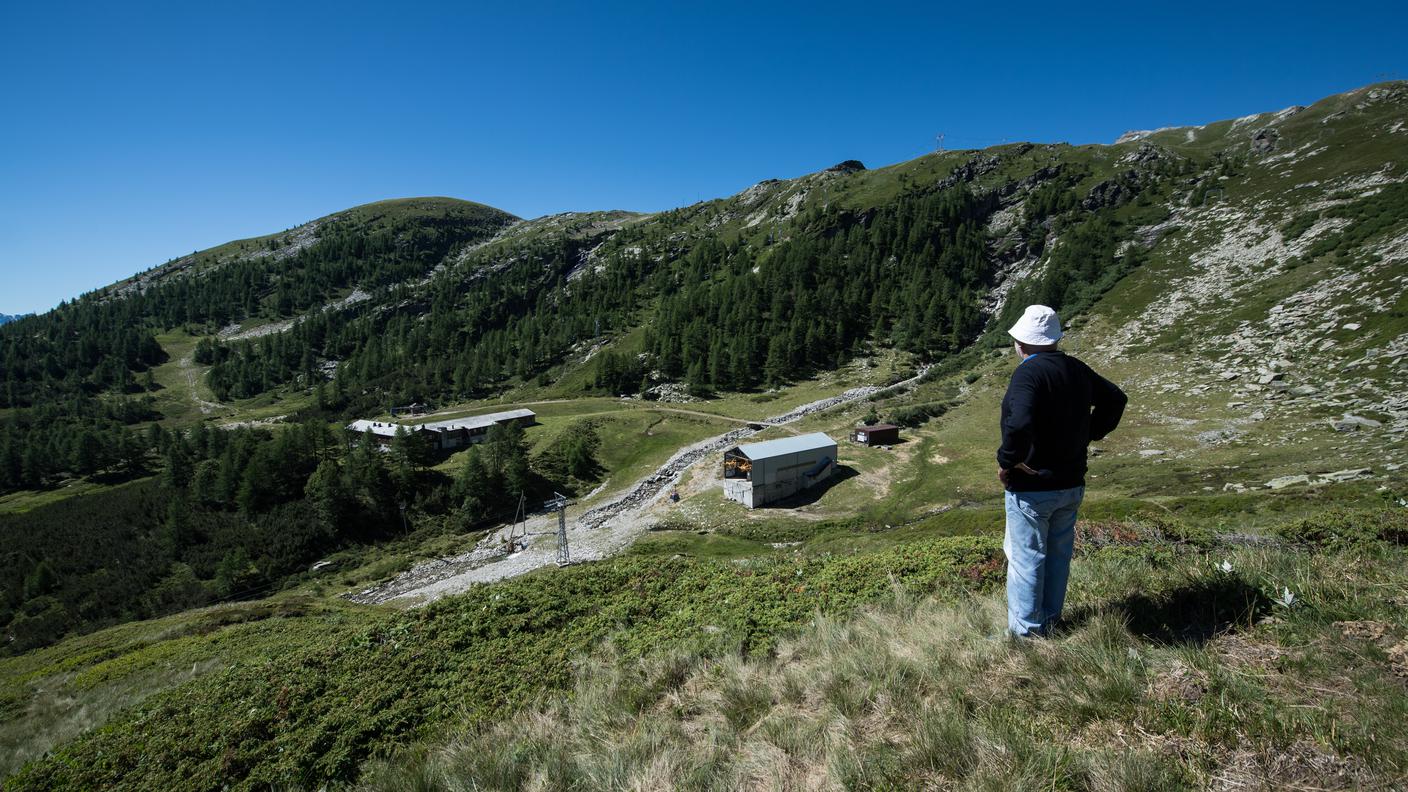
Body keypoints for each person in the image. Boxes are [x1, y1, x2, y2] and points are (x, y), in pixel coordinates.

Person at [998, 305, 1127, 637]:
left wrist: (1008, 460)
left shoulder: (1028, 373)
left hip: (1032, 486)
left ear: (1022, 343)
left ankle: (1026, 637)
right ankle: (1050, 624)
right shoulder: (1075, 368)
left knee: (1026, 560)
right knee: (1057, 557)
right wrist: (1089, 433)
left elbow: (1020, 422)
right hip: (1071, 482)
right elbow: (1115, 398)